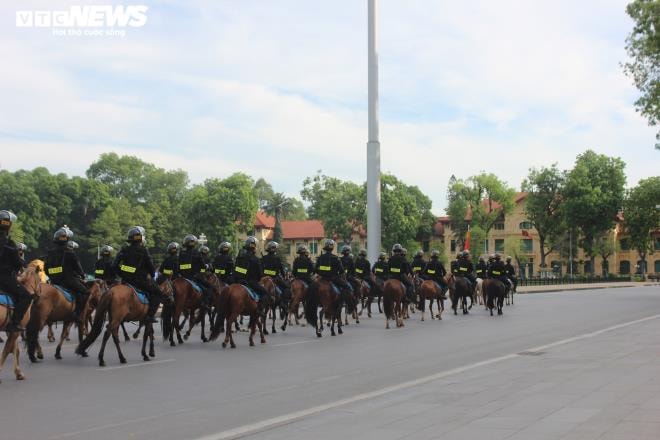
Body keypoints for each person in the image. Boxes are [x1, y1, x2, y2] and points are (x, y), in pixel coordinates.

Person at [113, 226, 164, 323]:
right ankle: (149, 316)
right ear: (140, 238)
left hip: (125, 281)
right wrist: (152, 275)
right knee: (158, 293)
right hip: (140, 281)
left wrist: (122, 274)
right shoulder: (143, 250)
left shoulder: (123, 250)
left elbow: (114, 265)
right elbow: (151, 267)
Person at [44, 226, 88, 322]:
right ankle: (77, 314)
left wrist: (53, 275)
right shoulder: (70, 252)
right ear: (67, 240)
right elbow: (77, 267)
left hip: (54, 281)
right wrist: (83, 275)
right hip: (68, 281)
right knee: (85, 292)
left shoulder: (50, 253)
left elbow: (46, 270)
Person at [0, 210, 32, 332]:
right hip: (5, 279)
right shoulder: (9, 243)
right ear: (9, 226)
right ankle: (14, 323)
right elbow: (17, 263)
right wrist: (23, 264)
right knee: (26, 296)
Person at [178, 235, 214, 309]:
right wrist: (207, 266)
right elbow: (202, 266)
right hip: (194, 277)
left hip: (182, 276)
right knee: (209, 287)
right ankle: (205, 303)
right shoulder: (196, 252)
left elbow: (179, 266)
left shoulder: (181, 253)